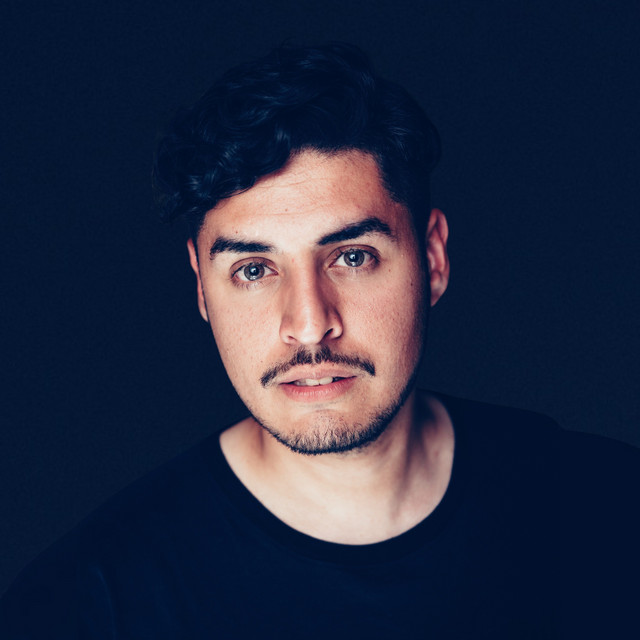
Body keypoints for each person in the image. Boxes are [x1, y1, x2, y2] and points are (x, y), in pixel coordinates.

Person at [2, 43, 638, 639]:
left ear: (432, 258)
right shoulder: (88, 605)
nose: (309, 325)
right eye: (254, 270)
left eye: (353, 257)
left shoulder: (606, 510)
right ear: (201, 287)